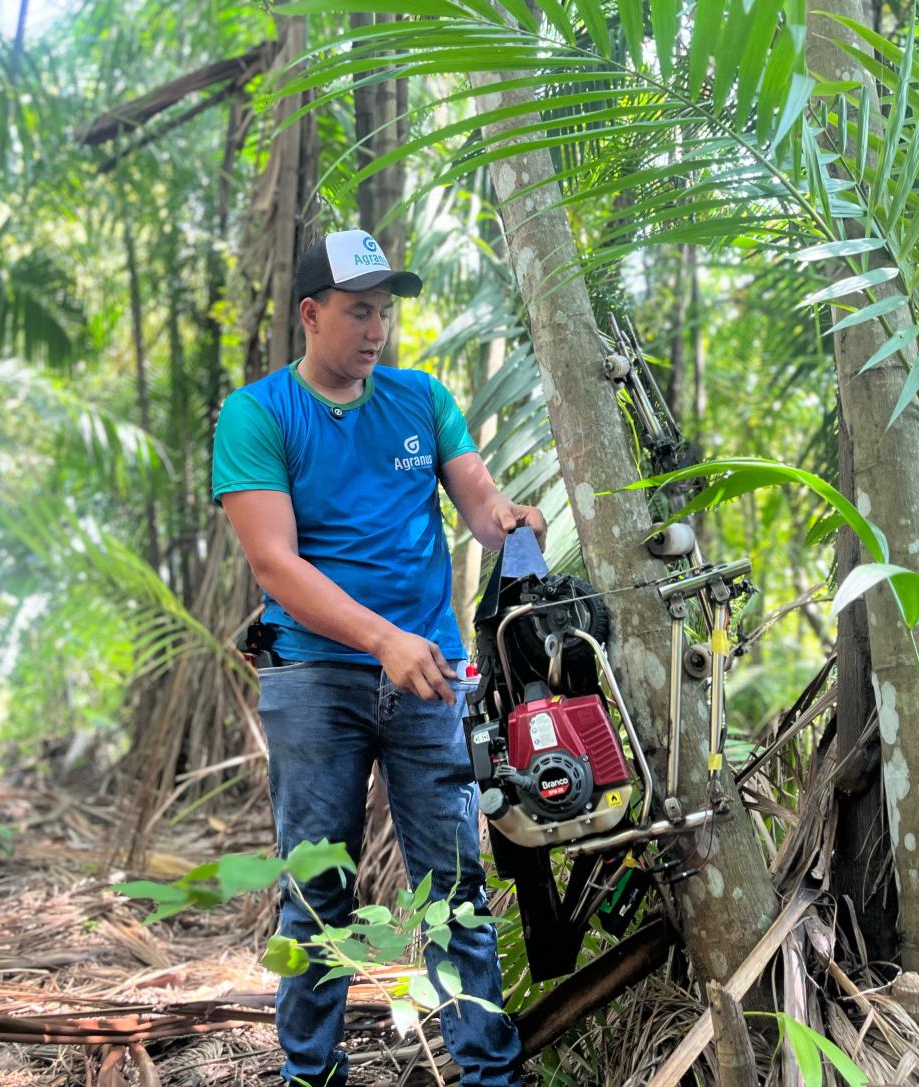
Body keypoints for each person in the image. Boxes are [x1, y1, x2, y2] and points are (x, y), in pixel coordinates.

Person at [212, 229, 544, 1087]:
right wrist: (380, 639)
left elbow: (478, 501)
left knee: (455, 883)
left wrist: (506, 518)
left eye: (384, 312)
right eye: (358, 311)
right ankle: (310, 1070)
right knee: (316, 886)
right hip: (313, 676)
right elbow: (275, 564)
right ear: (310, 313)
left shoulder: (421, 399)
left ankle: (489, 1073)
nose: (376, 329)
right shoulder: (257, 414)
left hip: (428, 672)